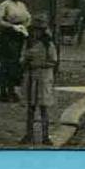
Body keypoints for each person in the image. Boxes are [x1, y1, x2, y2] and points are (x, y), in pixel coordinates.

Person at [19, 14, 58, 146]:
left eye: (39, 30)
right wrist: (25, 62)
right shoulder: (28, 43)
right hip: (30, 77)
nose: (36, 33)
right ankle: (29, 134)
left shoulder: (48, 45)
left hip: (44, 78)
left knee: (43, 108)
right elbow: (22, 59)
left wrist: (39, 64)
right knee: (30, 108)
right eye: (34, 30)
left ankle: (45, 136)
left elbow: (53, 62)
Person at [0, 0, 31, 102]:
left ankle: (12, 90)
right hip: (7, 36)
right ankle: (3, 91)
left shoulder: (22, 5)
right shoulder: (5, 5)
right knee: (5, 62)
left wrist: (25, 26)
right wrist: (11, 26)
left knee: (16, 62)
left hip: (19, 35)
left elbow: (28, 17)